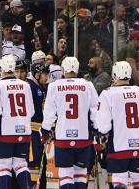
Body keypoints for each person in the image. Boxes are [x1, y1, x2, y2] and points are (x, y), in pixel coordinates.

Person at [41, 57, 99, 189]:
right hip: (83, 136)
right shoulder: (87, 85)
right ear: (77, 69)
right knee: (81, 172)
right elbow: (95, 110)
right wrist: (97, 129)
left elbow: (49, 113)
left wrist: (44, 130)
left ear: (62, 69)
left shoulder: (54, 86)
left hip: (63, 136)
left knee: (66, 173)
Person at [96, 61, 139, 189]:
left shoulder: (108, 93)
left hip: (119, 146)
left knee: (119, 183)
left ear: (115, 74)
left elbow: (103, 126)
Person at [0, 55, 35, 189]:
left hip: (5, 132)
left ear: (1, 68)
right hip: (24, 131)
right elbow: (32, 111)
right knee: (21, 164)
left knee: (4, 166)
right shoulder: (25, 85)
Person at [27, 63, 50, 189]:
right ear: (37, 74)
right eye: (45, 74)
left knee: (42, 162)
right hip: (32, 132)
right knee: (34, 163)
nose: (47, 77)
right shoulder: (30, 87)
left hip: (39, 132)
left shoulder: (42, 87)